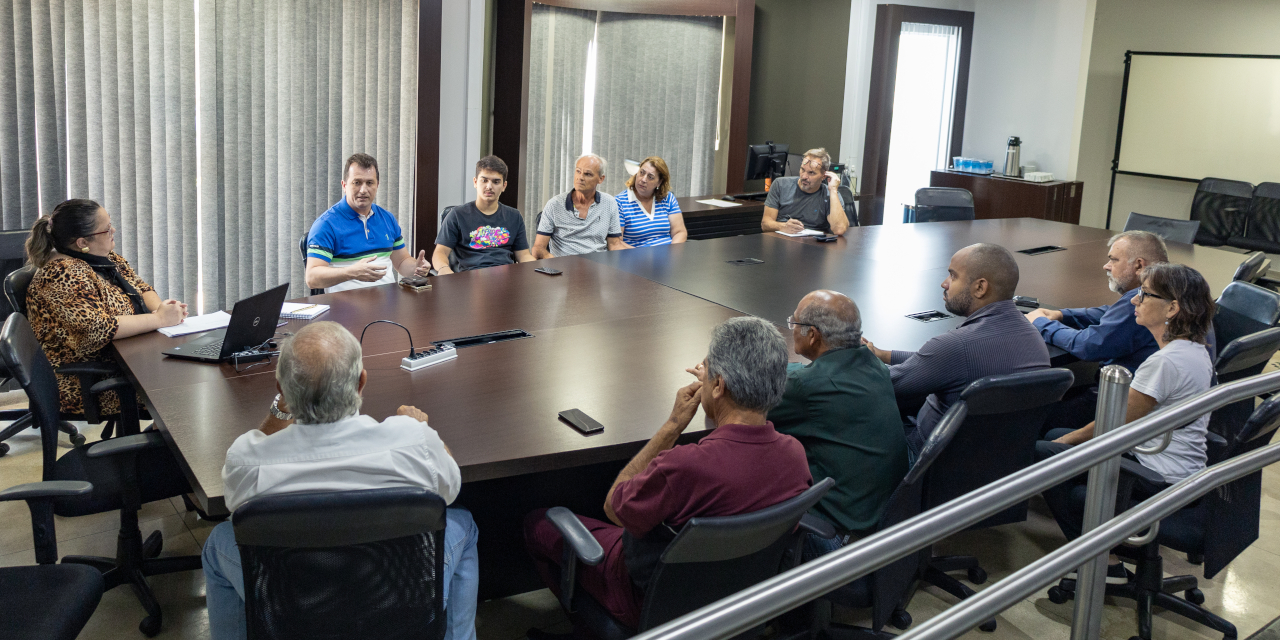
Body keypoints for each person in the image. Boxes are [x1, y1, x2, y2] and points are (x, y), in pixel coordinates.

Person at [523, 317, 812, 631]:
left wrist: (673, 425)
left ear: (718, 386)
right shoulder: (794, 455)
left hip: (655, 602)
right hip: (743, 600)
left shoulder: (686, 465)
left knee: (538, 524)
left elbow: (615, 507)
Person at [201, 321, 478, 640]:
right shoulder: (411, 441)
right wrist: (422, 430)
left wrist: (279, 410)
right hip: (394, 600)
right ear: (361, 381)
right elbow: (450, 485)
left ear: (282, 390)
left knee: (219, 540)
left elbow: (235, 500)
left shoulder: (247, 459)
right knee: (464, 524)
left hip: (294, 607)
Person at [1036, 263, 1215, 579]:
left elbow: (1111, 425)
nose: (1134, 301)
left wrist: (1061, 444)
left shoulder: (1164, 363)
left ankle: (1105, 562)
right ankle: (1110, 547)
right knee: (1057, 435)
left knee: (1043, 452)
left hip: (1157, 477)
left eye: (1144, 295)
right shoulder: (1193, 349)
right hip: (1180, 468)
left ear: (1172, 308)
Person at [863, 243, 1050, 457]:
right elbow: (934, 362)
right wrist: (881, 354)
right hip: (995, 463)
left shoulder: (956, 346)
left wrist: (864, 358)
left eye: (953, 276)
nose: (944, 283)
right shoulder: (1032, 336)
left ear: (980, 287)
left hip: (926, 462)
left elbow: (879, 384)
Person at [770, 290, 908, 558]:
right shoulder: (873, 364)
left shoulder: (806, 388)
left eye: (794, 324)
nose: (791, 329)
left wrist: (715, 377)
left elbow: (741, 400)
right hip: (882, 523)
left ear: (813, 335)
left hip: (839, 541)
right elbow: (805, 374)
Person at [24, 198, 189, 415]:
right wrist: (160, 319)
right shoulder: (61, 273)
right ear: (82, 242)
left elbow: (141, 287)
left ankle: (160, 442)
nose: (113, 230)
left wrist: (162, 310)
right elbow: (97, 329)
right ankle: (159, 445)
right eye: (106, 229)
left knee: (191, 373)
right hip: (90, 380)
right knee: (186, 388)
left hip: (125, 358)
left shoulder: (104, 257)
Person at [305, 153, 432, 292]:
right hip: (345, 310)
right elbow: (312, 278)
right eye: (357, 182)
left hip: (389, 307)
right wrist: (351, 272)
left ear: (377, 185)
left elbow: (401, 262)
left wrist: (416, 267)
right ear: (344, 185)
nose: (363, 190)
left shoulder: (387, 219)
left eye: (369, 183)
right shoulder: (326, 225)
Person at [433, 155, 534, 274]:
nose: (489, 186)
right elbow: (440, 252)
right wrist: (444, 269)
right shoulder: (457, 215)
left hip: (507, 279)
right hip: (470, 279)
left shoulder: (514, 216)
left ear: (504, 186)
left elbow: (524, 255)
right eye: (484, 180)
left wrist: (538, 269)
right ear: (475, 182)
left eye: (496, 182)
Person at [532, 154, 625, 258]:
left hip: (598, 268)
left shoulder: (609, 203)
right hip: (564, 268)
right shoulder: (554, 205)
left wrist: (642, 255)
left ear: (601, 179)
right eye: (578, 171)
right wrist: (555, 265)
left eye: (587, 174)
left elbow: (614, 245)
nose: (580, 177)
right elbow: (538, 249)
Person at [760, 148, 850, 236]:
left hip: (815, 245)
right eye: (802, 169)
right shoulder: (780, 185)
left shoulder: (829, 194)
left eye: (811, 173)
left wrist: (833, 190)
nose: (804, 176)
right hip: (783, 241)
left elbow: (839, 229)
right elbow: (765, 224)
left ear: (823, 176)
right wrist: (783, 226)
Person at [614, 156, 688, 247]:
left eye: (650, 177)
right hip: (636, 258)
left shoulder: (668, 198)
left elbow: (679, 232)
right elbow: (616, 243)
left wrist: (672, 254)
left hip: (668, 256)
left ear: (659, 182)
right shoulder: (619, 202)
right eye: (641, 173)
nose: (643, 179)